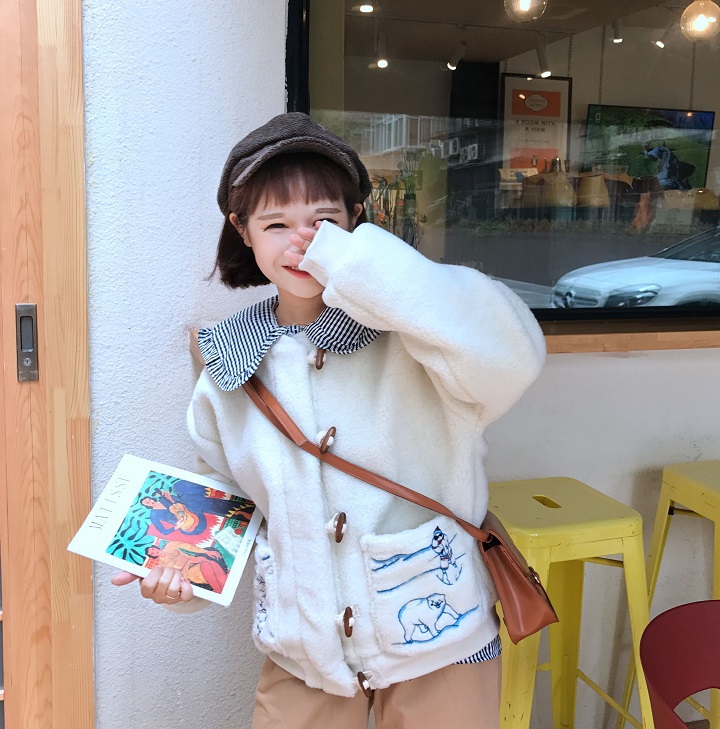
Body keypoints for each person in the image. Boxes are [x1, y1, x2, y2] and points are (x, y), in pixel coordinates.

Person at [113, 112, 546, 729]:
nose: (302, 243)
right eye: (275, 224)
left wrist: (360, 268)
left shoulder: (423, 338)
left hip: (439, 636)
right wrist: (177, 575)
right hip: (303, 651)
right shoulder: (230, 363)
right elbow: (225, 498)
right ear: (242, 230)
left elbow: (514, 355)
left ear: (355, 225)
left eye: (323, 223)